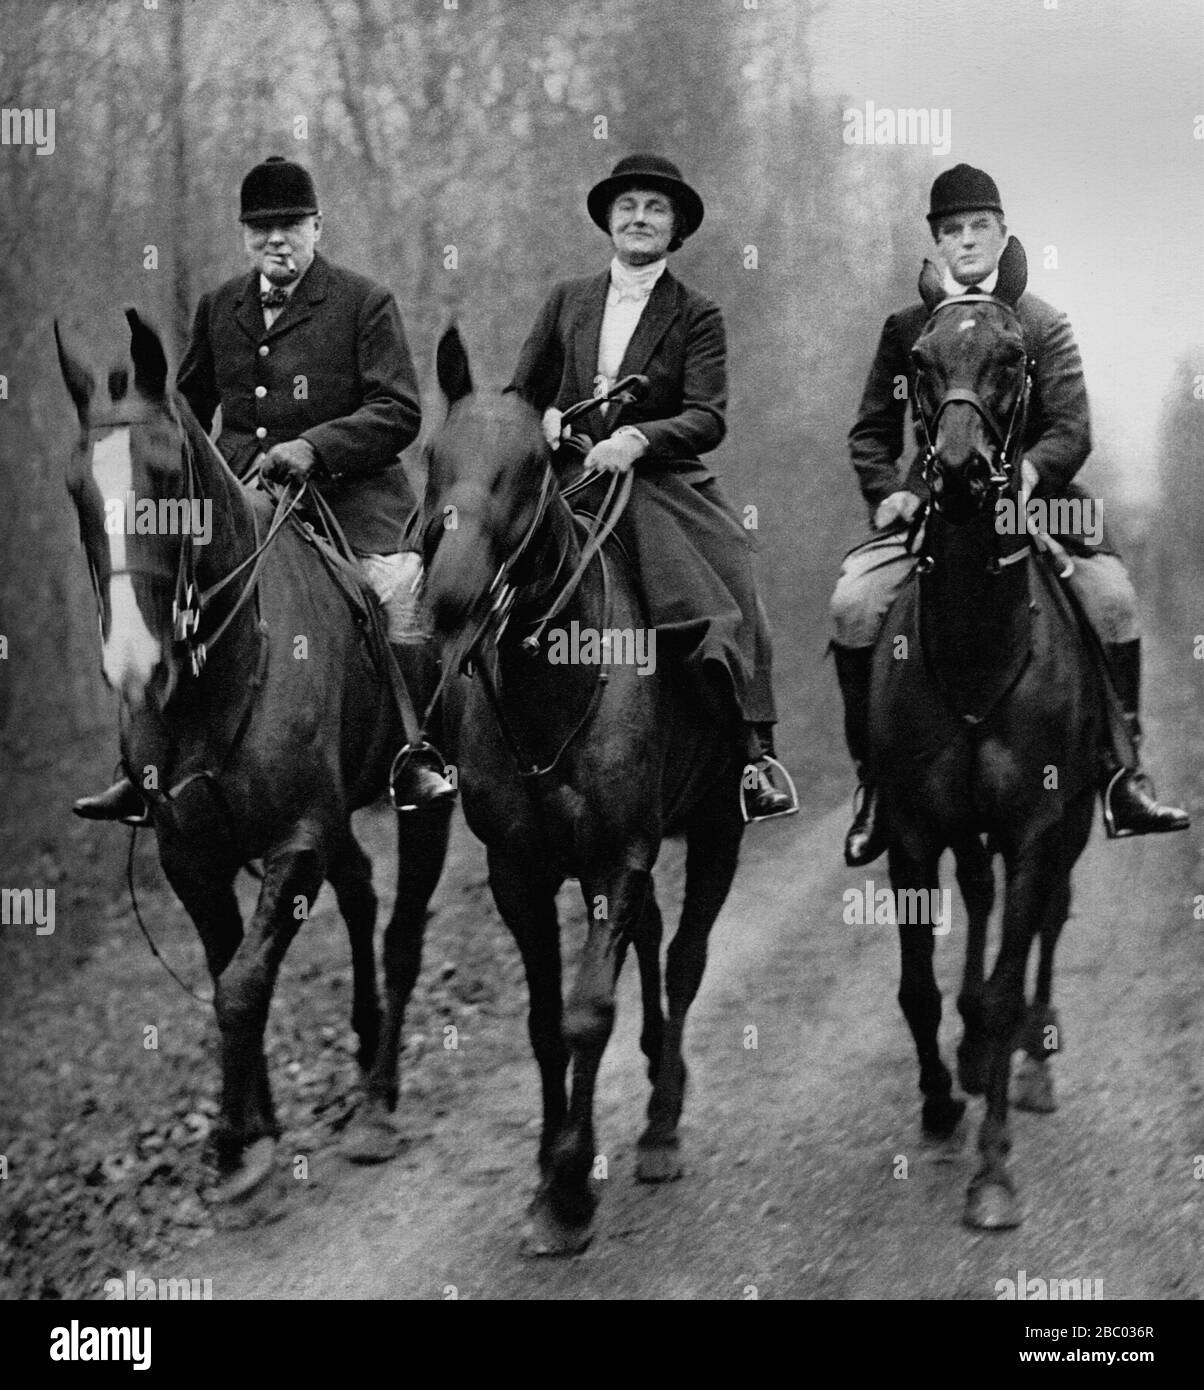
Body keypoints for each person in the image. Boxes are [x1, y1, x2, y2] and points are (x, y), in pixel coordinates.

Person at [75, 155, 452, 821]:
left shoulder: (364, 303)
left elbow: (400, 412)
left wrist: (315, 447)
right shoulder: (220, 307)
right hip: (243, 497)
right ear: (244, 235)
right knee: (156, 590)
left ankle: (416, 752)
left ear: (316, 228)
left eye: (290, 226)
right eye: (260, 229)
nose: (275, 240)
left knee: (398, 594)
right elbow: (183, 410)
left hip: (352, 499)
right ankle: (140, 767)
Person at [831, 163, 1188, 865]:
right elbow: (871, 431)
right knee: (852, 604)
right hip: (931, 507)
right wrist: (887, 490)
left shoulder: (1042, 322)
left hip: (1041, 504)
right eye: (952, 230)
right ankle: (876, 784)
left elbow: (1072, 427)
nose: (966, 240)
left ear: (1001, 234)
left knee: (1114, 600)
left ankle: (1123, 774)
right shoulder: (907, 326)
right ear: (936, 241)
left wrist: (1029, 469)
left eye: (978, 227)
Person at [508, 153, 796, 821]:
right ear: (609, 220)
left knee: (731, 573)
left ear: (676, 229)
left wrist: (639, 439)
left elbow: (708, 415)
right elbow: (522, 390)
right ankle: (440, 738)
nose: (640, 218)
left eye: (656, 208)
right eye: (628, 206)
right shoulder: (565, 300)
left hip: (658, 482)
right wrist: (545, 415)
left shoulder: (696, 312)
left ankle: (755, 752)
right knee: (468, 559)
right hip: (567, 475)